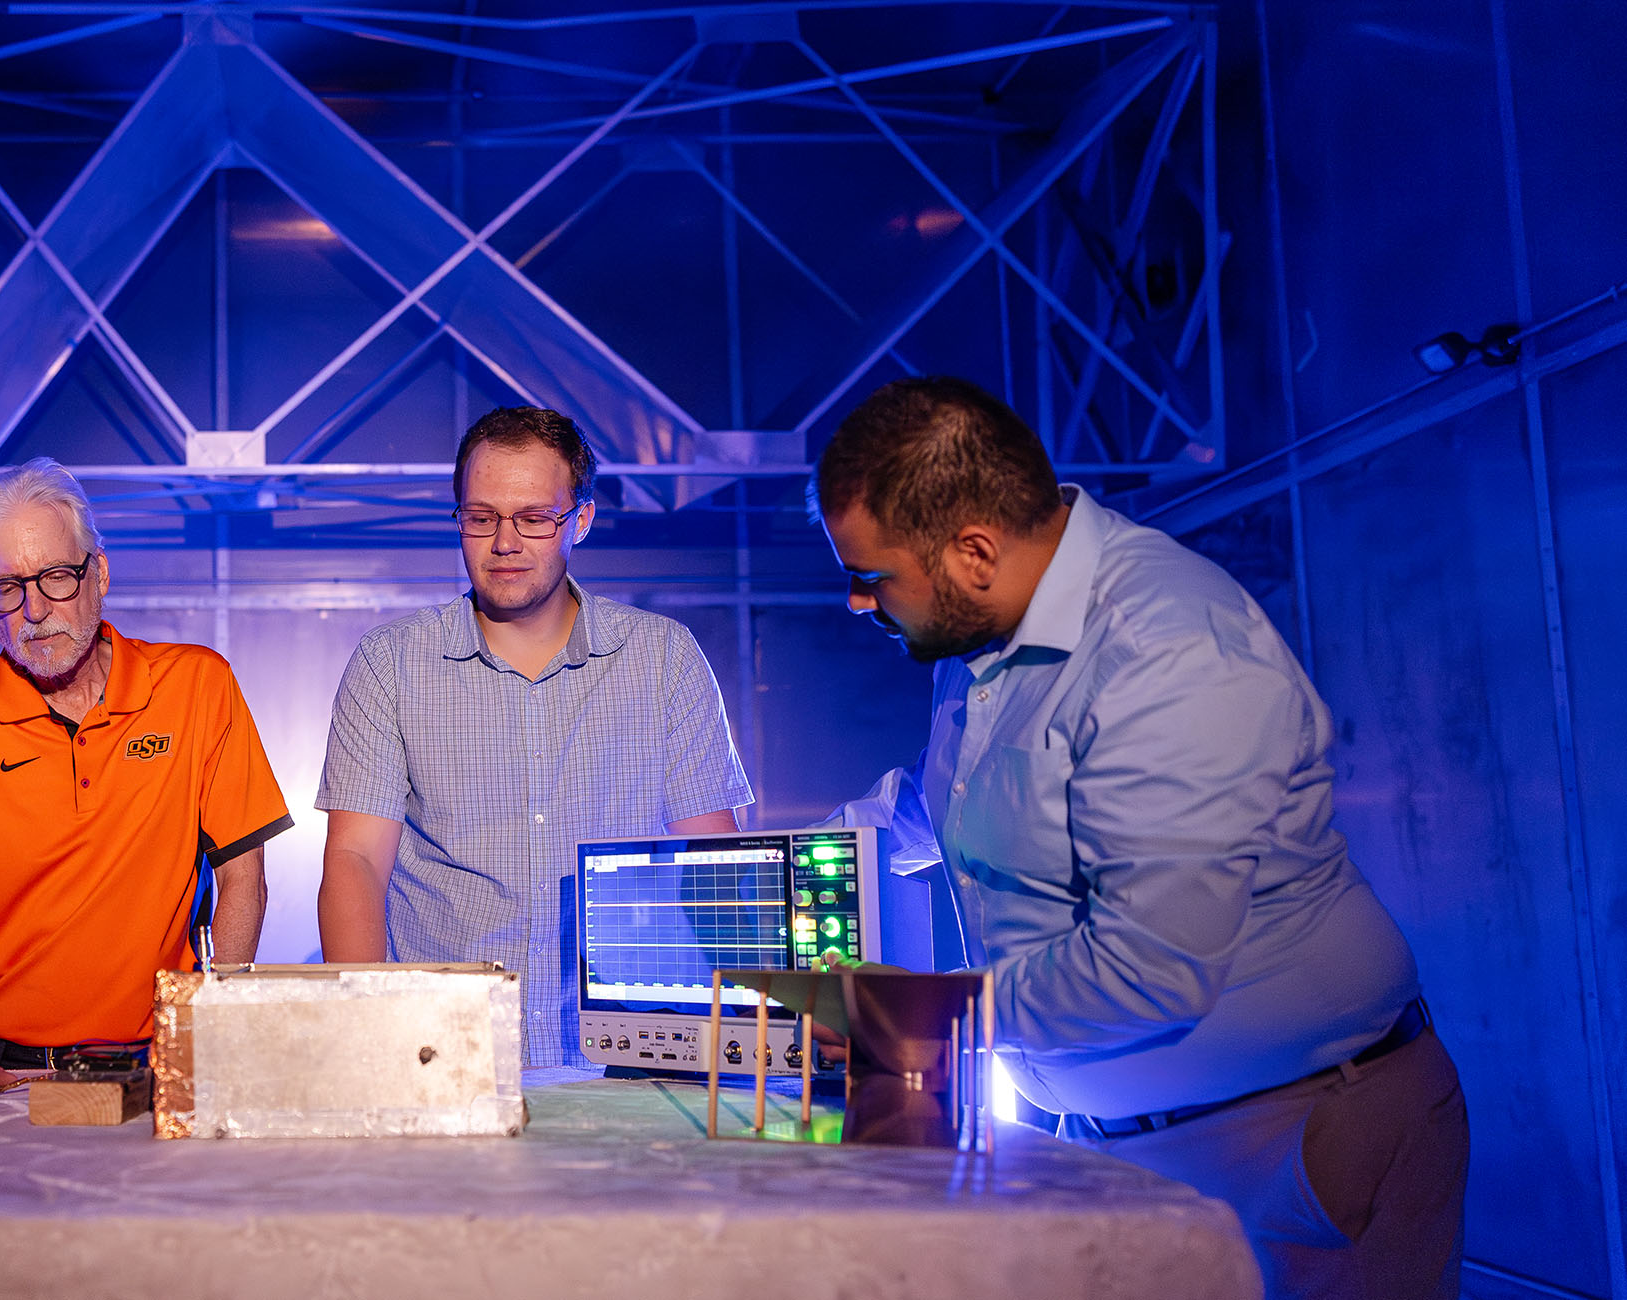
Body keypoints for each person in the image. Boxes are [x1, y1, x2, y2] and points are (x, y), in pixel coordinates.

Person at [813, 376, 1466, 1299]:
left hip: (1295, 1142)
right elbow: (962, 801)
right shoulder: (991, 623)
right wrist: (806, 856)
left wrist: (909, 1020)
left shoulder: (1171, 652)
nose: (856, 602)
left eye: (872, 576)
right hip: (1123, 1147)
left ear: (972, 551)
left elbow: (1149, 969)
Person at [315, 406, 754, 1066]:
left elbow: (712, 866)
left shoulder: (662, 658)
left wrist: (744, 1037)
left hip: (630, 1062)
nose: (504, 543)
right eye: (481, 518)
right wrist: (364, 1040)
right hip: (445, 1059)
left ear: (579, 521)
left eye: (533, 519)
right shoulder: (391, 662)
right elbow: (355, 862)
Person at [0, 459, 292, 1083]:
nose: (35, 611)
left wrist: (215, 1025)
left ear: (98, 574)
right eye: (6, 588)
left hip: (158, 1070)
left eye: (55, 578)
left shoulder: (197, 686)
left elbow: (244, 880)